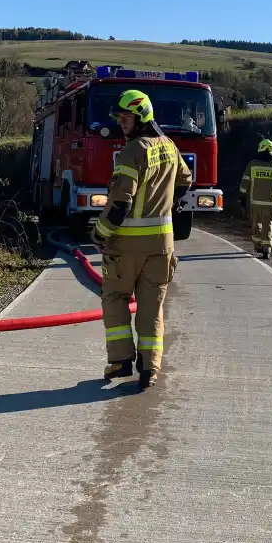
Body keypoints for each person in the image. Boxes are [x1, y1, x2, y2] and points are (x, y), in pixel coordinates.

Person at [92, 89, 192, 390]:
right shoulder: (169, 146)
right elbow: (186, 180)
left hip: (126, 246)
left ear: (142, 117)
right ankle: (150, 368)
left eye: (126, 117)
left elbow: (120, 203)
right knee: (152, 307)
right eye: (119, 117)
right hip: (162, 246)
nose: (121, 122)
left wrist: (100, 233)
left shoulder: (132, 151)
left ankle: (121, 361)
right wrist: (165, 203)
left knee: (114, 298)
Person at [239, 139, 272, 259]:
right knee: (268, 225)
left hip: (255, 202)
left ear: (260, 148)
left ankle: (258, 245)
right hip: (270, 202)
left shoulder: (253, 164)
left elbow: (245, 182)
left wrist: (242, 196)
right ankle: (267, 248)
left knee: (256, 224)